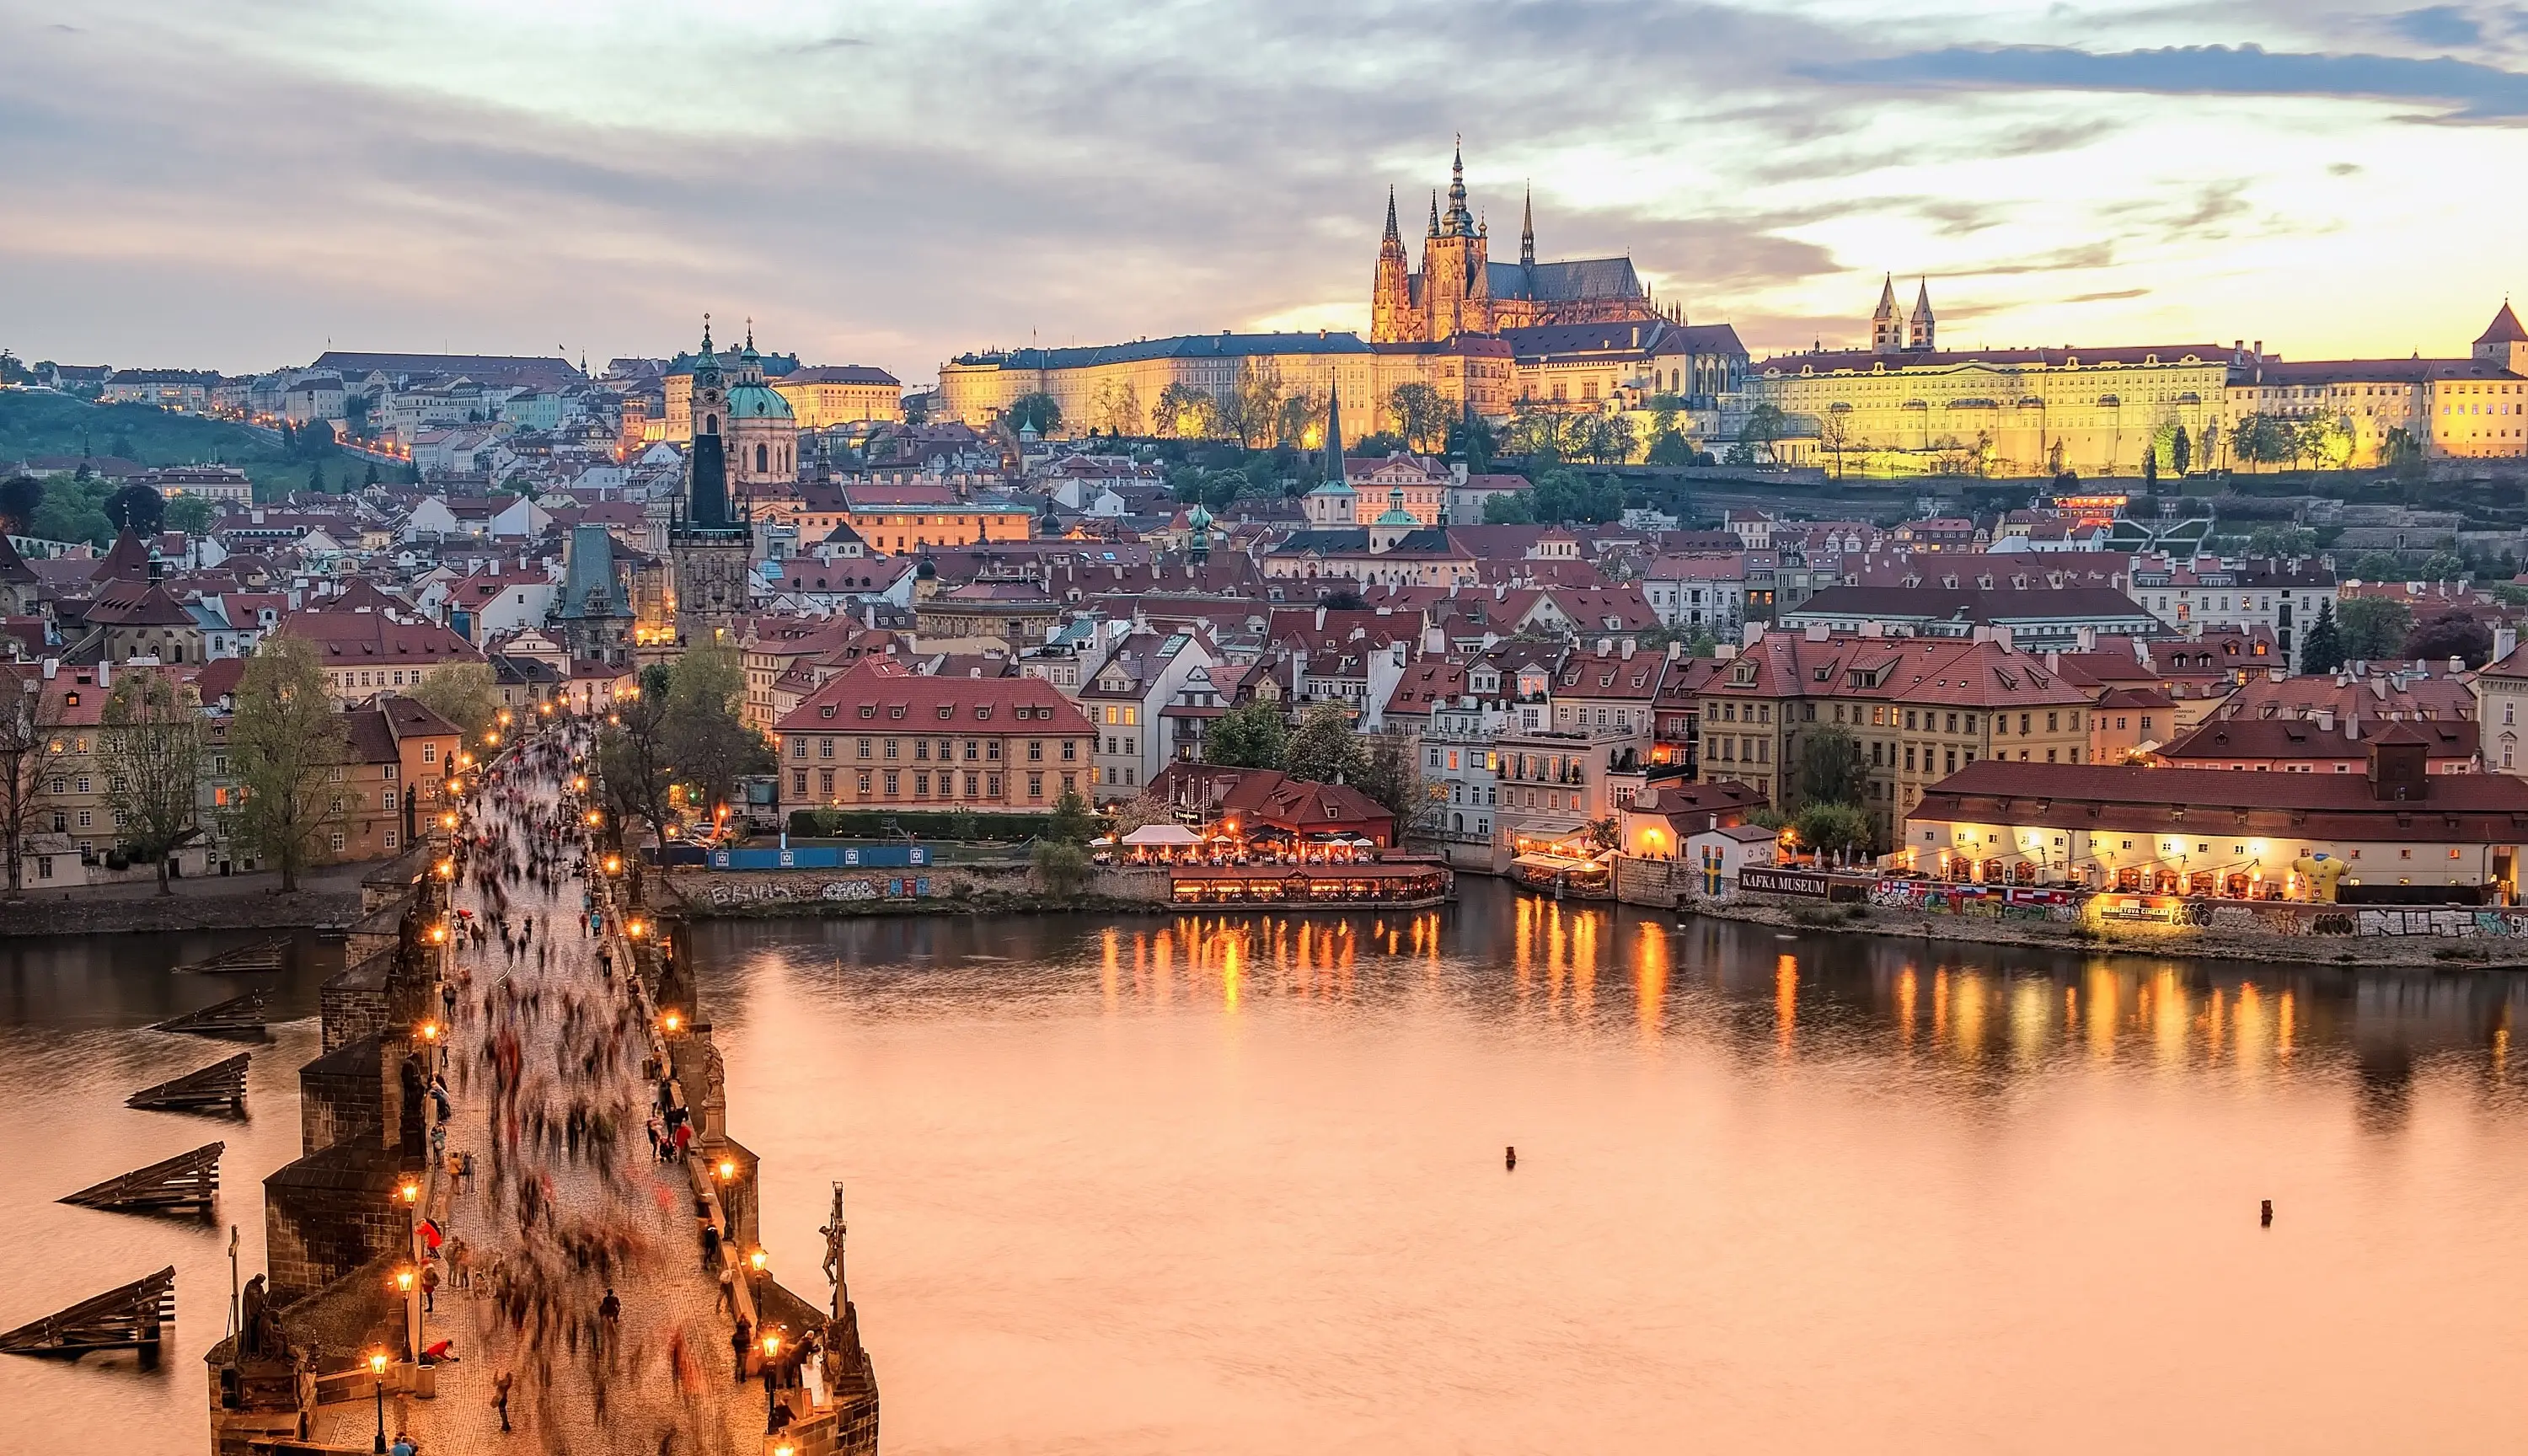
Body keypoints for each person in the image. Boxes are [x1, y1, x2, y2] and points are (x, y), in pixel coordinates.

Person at [492, 1368, 512, 1432]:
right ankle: (507, 1425)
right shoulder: (507, 1382)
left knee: (502, 1411)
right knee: (503, 1410)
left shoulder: (503, 1383)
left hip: (501, 1398)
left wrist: (495, 1374)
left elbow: (496, 1383)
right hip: (504, 1397)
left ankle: (505, 1426)